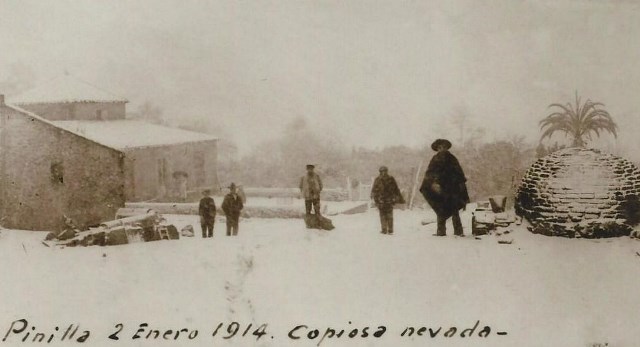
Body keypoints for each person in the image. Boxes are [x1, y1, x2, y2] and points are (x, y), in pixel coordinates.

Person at [420, 139, 470, 236]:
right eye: (439, 147)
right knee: (440, 209)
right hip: (439, 189)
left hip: (452, 188)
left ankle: (458, 231)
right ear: (437, 149)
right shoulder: (434, 159)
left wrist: (458, 184)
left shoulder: (452, 159)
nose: (442, 149)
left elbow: (459, 173)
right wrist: (433, 183)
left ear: (447, 148)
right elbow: (429, 173)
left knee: (454, 209)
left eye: (444, 147)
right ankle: (441, 231)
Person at [371, 166, 405, 235]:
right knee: (388, 215)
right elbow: (396, 189)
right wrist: (400, 198)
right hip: (386, 200)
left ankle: (385, 230)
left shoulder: (379, 179)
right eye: (382, 171)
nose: (383, 173)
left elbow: (374, 190)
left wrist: (374, 197)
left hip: (384, 200)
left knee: (384, 215)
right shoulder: (390, 179)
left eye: (384, 171)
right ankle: (389, 230)